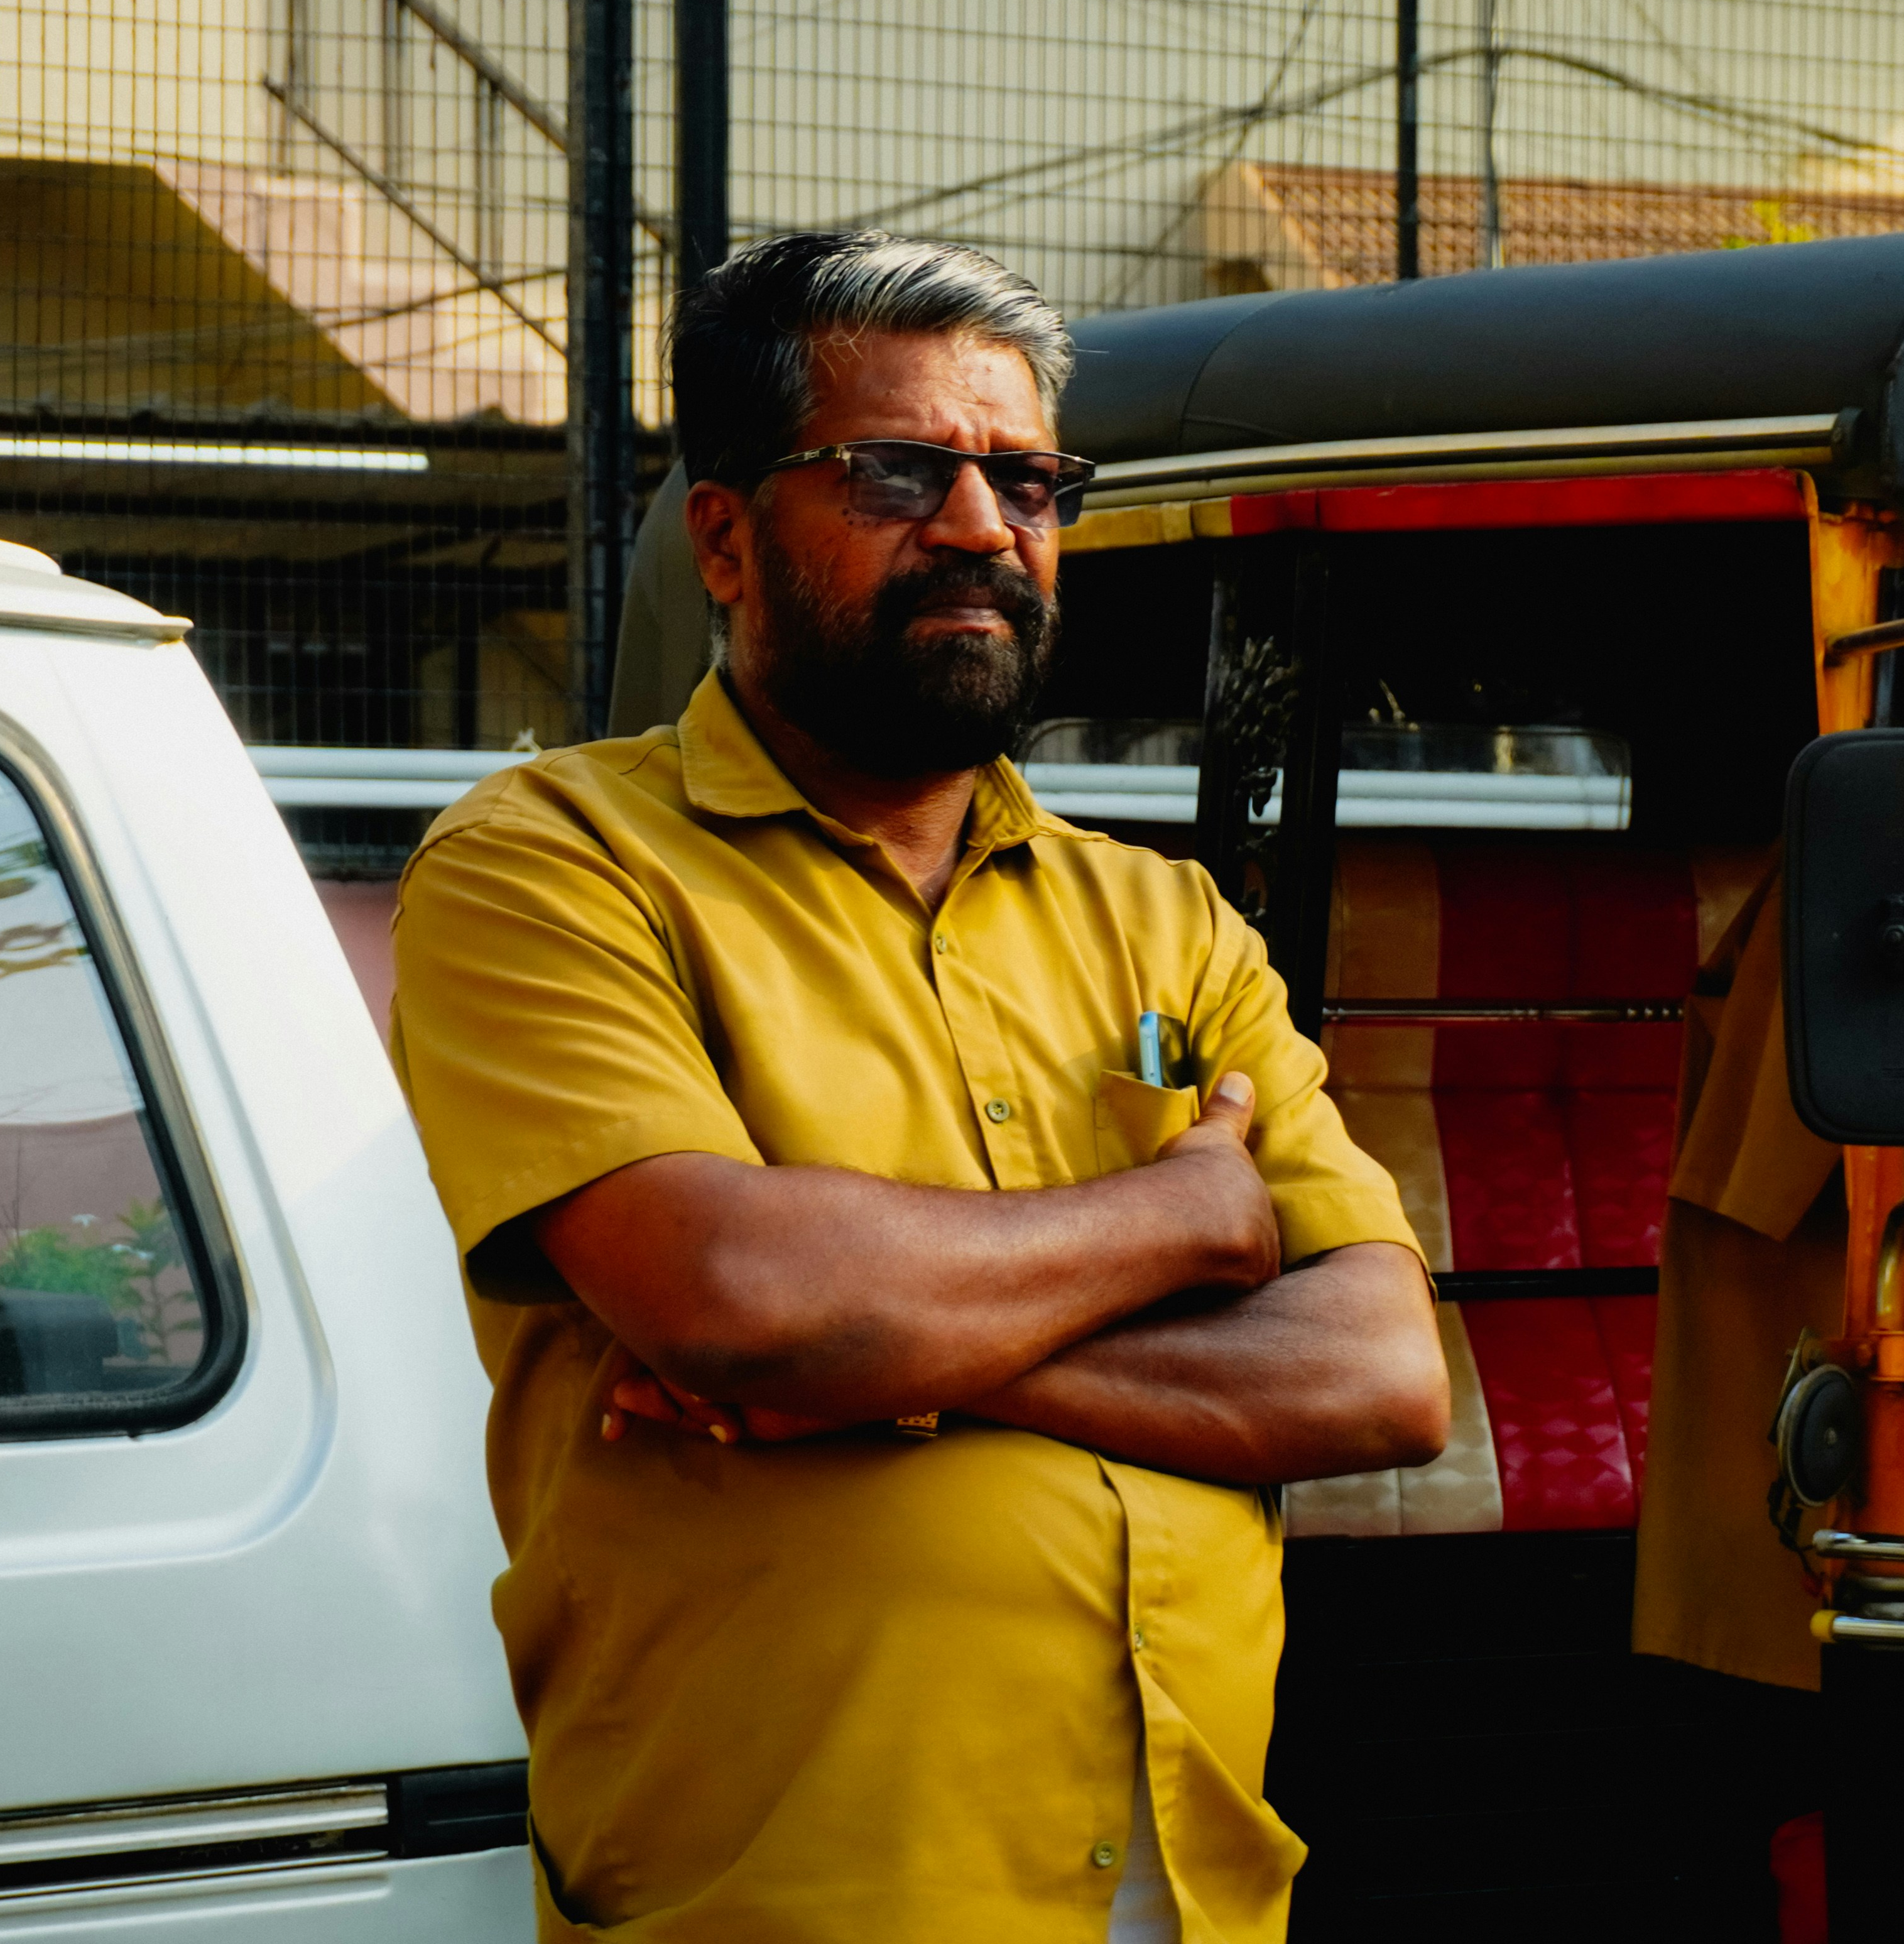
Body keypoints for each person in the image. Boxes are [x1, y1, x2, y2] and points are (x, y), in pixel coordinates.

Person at [389, 229, 1450, 1944]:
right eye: (902, 472)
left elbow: (1382, 1378)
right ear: (723, 539)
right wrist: (1179, 1214)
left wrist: (897, 1364)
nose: (982, 527)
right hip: (791, 1900)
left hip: (1189, 1890)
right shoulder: (555, 867)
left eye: (1028, 480)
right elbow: (739, 1297)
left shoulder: (1159, 917)